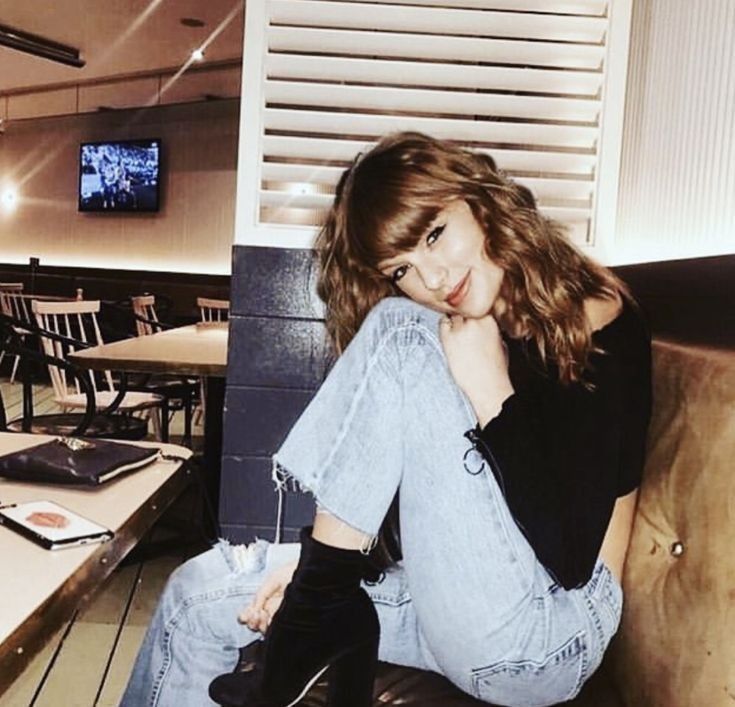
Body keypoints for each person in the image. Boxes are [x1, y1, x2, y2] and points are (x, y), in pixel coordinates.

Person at [121, 132, 651, 707]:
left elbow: (568, 559)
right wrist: (310, 568)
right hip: (461, 602)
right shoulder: (458, 335)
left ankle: (316, 610)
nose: (433, 279)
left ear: (479, 202)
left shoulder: (594, 317)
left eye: (434, 235)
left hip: (552, 634)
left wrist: (493, 393)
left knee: (400, 330)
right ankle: (317, 600)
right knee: (197, 594)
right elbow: (442, 522)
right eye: (401, 269)